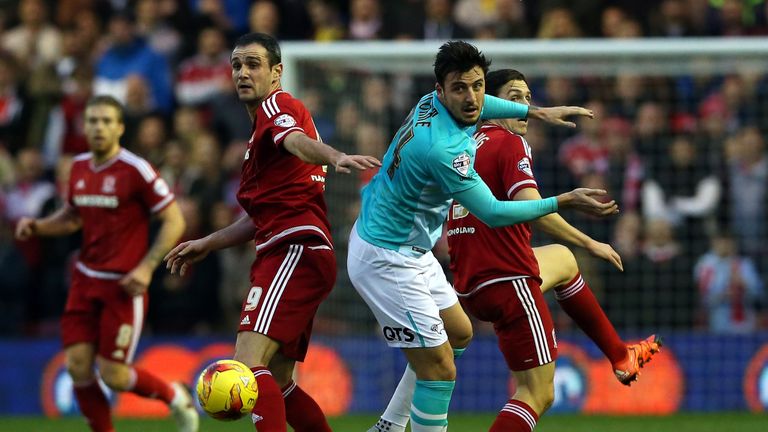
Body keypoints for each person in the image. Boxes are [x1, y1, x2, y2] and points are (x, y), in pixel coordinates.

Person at [349, 40, 617, 432]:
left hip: (410, 246)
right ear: (441, 91)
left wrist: (536, 112)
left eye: (477, 85)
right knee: (440, 370)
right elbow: (493, 212)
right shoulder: (443, 149)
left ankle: (390, 424)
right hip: (387, 256)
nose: (472, 97)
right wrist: (563, 200)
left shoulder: (432, 102)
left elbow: (479, 105)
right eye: (460, 88)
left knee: (459, 333)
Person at [163, 33, 380, 432]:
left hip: (293, 250)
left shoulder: (277, 106)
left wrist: (333, 155)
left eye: (253, 64)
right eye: (236, 65)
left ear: (277, 72)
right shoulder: (258, 137)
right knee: (277, 383)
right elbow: (260, 216)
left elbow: (297, 141)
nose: (242, 72)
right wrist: (208, 243)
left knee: (247, 362)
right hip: (295, 249)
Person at [446, 69, 661, 431]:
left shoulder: (460, 144)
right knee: (537, 394)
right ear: (491, 103)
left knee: (561, 258)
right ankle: (621, 356)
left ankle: (622, 355)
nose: (525, 106)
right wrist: (591, 241)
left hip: (469, 282)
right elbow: (533, 207)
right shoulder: (509, 142)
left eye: (528, 98)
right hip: (508, 279)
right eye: (514, 97)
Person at [15, 95, 197, 432]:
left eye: (106, 121)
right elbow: (72, 217)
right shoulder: (80, 166)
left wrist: (145, 268)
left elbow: (174, 221)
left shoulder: (136, 169)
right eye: (93, 121)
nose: (99, 127)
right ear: (84, 126)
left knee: (113, 375)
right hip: (85, 280)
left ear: (120, 127)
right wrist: (39, 226)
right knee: (78, 366)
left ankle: (174, 395)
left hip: (123, 285)